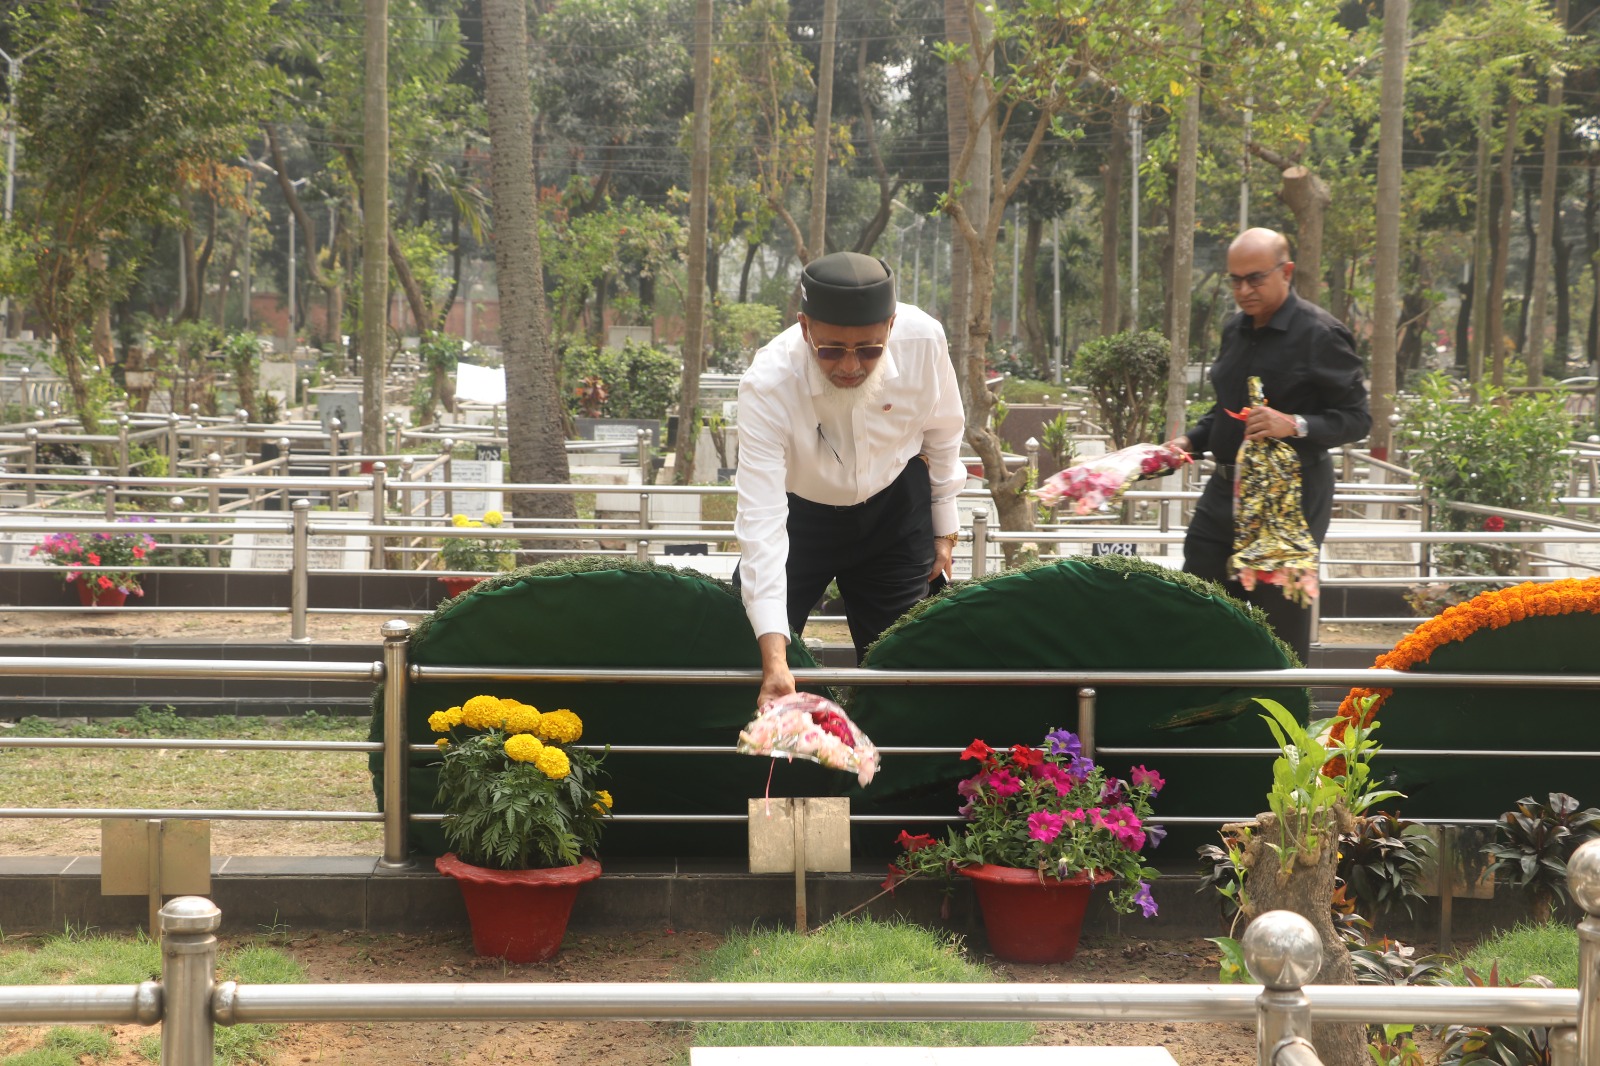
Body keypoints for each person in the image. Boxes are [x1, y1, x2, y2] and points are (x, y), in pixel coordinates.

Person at [734, 252, 966, 707]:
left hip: (894, 511)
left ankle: (890, 754)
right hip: (800, 518)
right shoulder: (767, 384)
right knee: (750, 655)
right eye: (832, 350)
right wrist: (775, 664)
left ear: (891, 327)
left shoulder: (924, 340)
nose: (850, 366)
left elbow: (943, 430)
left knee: (905, 669)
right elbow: (761, 522)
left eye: (869, 349)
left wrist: (944, 530)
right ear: (805, 328)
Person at [1165, 228, 1370, 662]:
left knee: (1279, 628)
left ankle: (1282, 705)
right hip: (1224, 492)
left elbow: (1357, 419)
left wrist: (1293, 424)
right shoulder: (1234, 330)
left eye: (1255, 278)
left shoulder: (1321, 334)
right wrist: (1185, 443)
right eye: (1235, 280)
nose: (1244, 290)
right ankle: (1204, 702)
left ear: (1286, 272)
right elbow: (1226, 413)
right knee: (1196, 610)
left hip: (1288, 497)